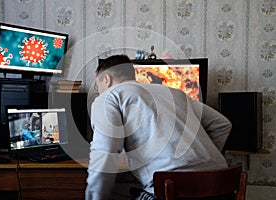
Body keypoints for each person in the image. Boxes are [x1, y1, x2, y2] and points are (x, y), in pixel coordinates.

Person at [85, 55, 232, 200]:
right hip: (222, 184)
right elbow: (221, 124)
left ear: (106, 79)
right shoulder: (174, 92)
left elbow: (104, 154)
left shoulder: (109, 97)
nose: (99, 92)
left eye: (98, 86)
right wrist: (202, 164)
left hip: (174, 190)